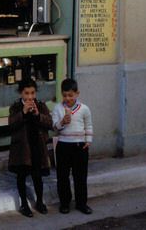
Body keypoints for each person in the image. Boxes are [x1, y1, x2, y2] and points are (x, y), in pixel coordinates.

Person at [8, 78, 53, 217]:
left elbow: (49, 123)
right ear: (21, 93)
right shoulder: (15, 107)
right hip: (22, 148)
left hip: (37, 146)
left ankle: (39, 201)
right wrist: (23, 113)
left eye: (32, 93)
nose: (30, 97)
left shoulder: (40, 105)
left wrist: (38, 115)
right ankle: (24, 204)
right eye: (26, 93)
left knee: (37, 176)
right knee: (21, 175)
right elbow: (11, 125)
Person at [52, 78, 93, 215]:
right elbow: (55, 128)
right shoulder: (58, 108)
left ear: (77, 94)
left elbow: (88, 125)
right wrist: (62, 122)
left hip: (80, 146)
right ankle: (65, 203)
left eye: (70, 95)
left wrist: (88, 140)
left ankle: (82, 203)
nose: (67, 98)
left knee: (80, 176)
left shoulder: (84, 109)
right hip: (63, 146)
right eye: (64, 95)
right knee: (62, 177)